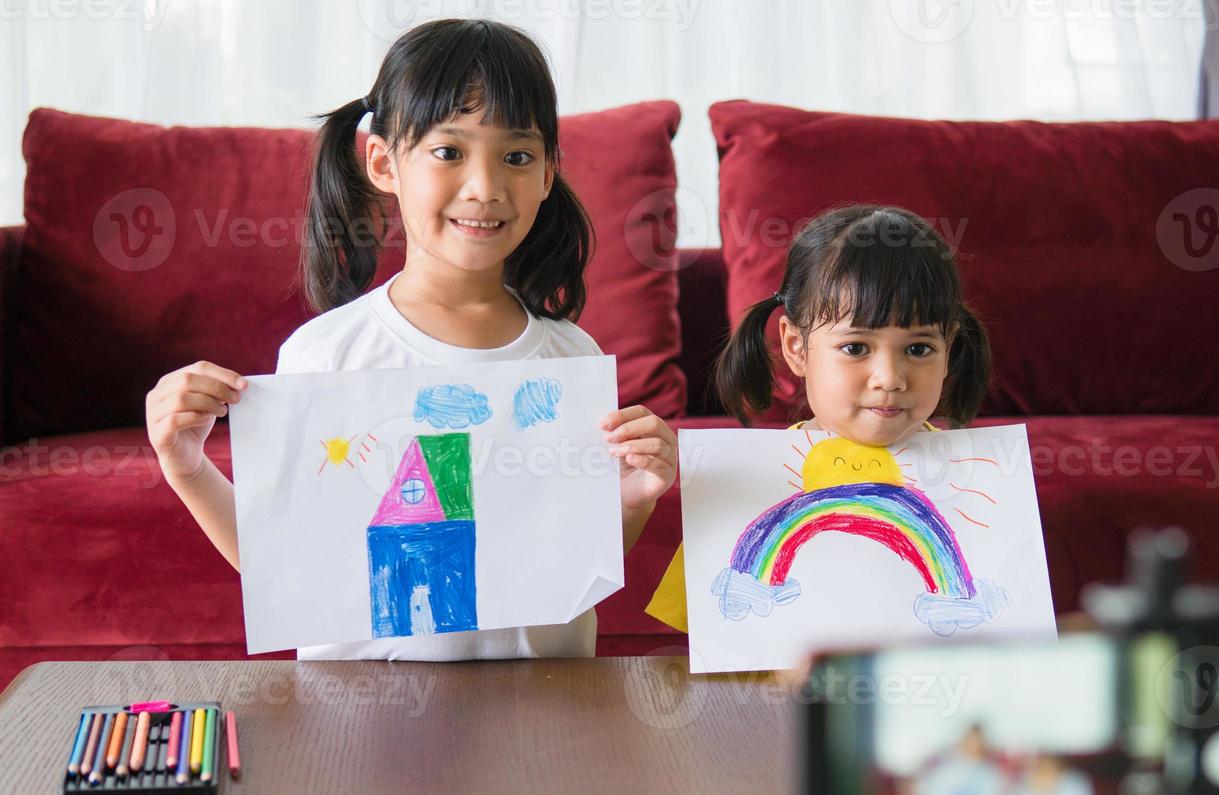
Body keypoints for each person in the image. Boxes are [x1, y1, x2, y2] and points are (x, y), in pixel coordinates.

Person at [145, 18, 676, 661]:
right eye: (449, 152)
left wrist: (636, 496)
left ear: (546, 174)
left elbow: (570, 567)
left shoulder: (574, 359)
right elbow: (286, 565)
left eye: (516, 156)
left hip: (540, 720)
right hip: (368, 722)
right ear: (383, 161)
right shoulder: (325, 355)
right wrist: (187, 466)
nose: (485, 187)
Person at [644, 204, 991, 631]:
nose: (890, 379)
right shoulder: (751, 483)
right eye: (856, 348)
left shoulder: (981, 490)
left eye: (918, 349)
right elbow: (713, 630)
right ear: (796, 347)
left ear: (949, 349)